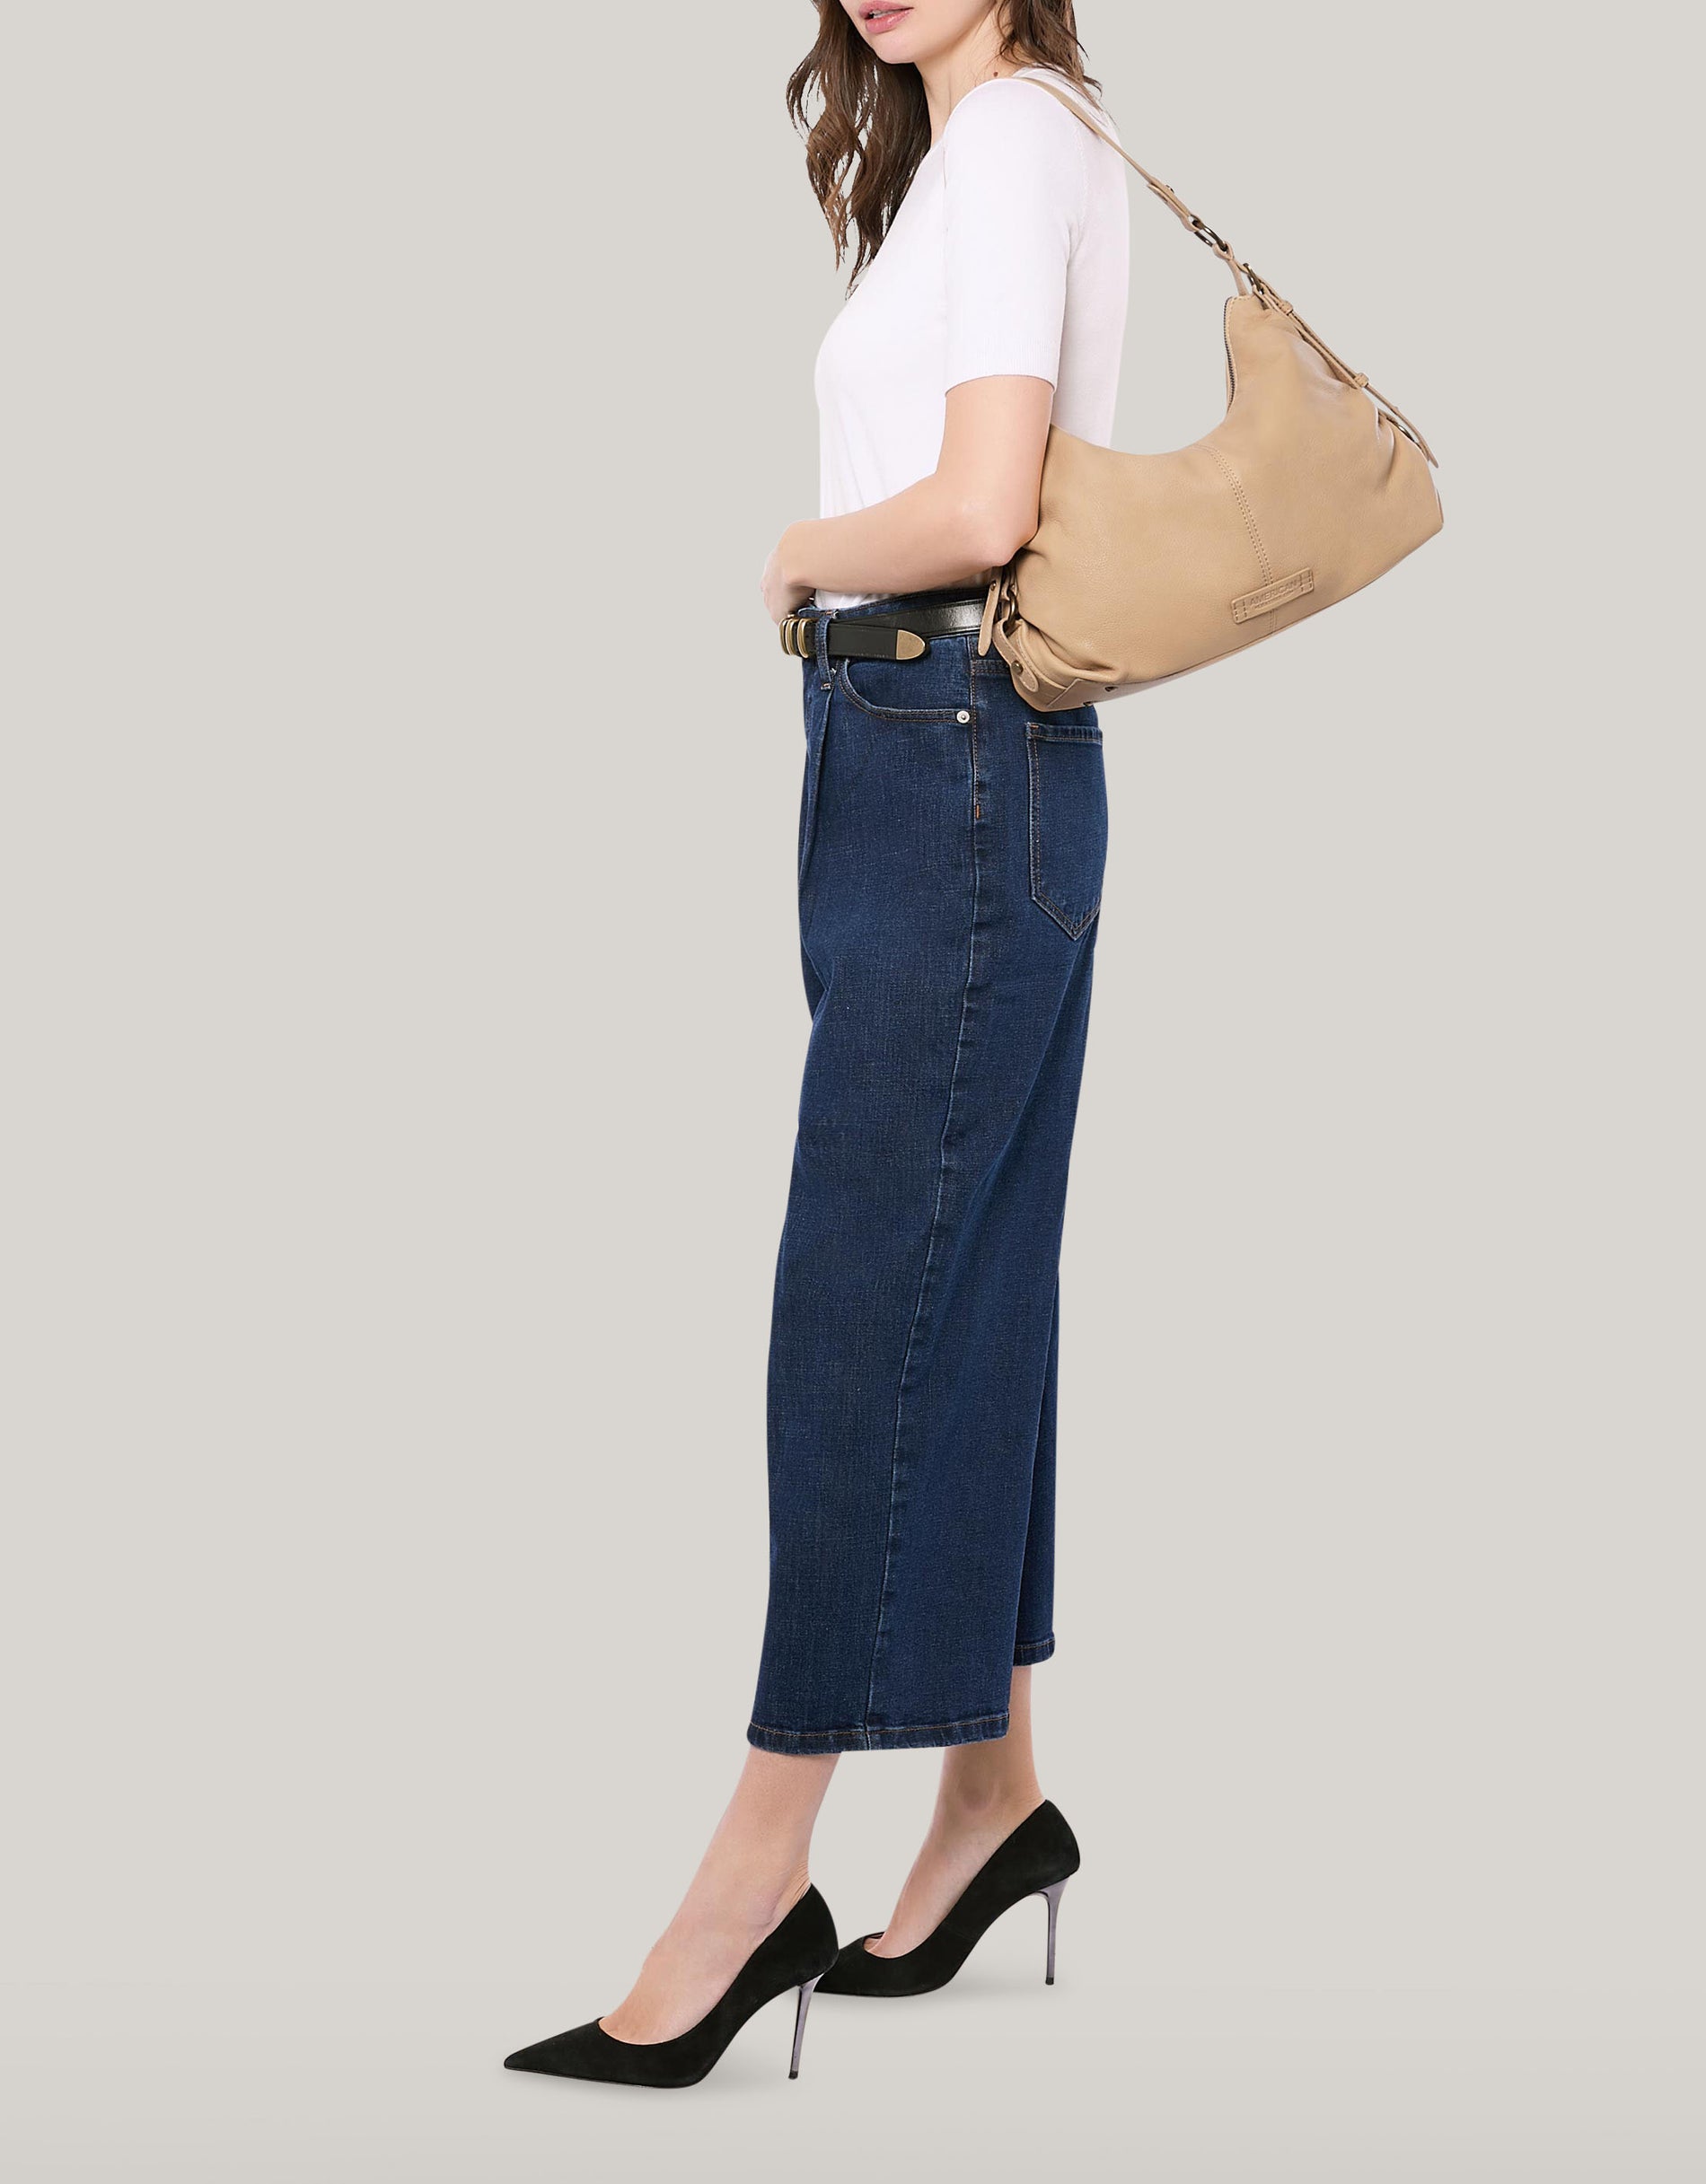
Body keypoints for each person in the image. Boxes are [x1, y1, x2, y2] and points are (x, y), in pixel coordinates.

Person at [505, 0, 1129, 2088]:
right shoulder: (976, 151)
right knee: (973, 1282)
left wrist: (789, 554)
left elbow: (975, 502)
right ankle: (989, 1796)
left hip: (947, 738)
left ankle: (751, 1871)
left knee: (860, 1306)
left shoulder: (1023, 136)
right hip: (940, 761)